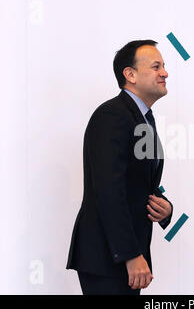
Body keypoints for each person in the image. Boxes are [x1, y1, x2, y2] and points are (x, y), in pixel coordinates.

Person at [66, 40, 173, 295]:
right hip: (108, 259)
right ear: (130, 74)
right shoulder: (112, 115)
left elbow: (137, 183)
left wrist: (164, 208)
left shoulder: (143, 118)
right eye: (156, 66)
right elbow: (109, 190)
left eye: (164, 66)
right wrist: (130, 255)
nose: (165, 73)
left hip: (124, 258)